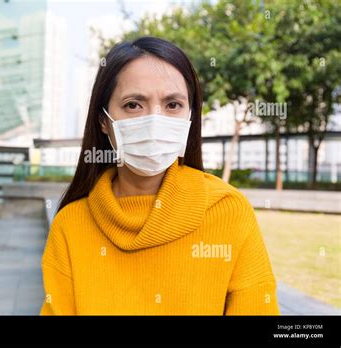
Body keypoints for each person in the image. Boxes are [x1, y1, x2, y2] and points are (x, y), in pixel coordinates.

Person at [40, 36, 280, 315]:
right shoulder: (70, 226)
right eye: (133, 105)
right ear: (104, 120)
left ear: (191, 116)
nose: (155, 119)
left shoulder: (229, 212)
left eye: (173, 105)